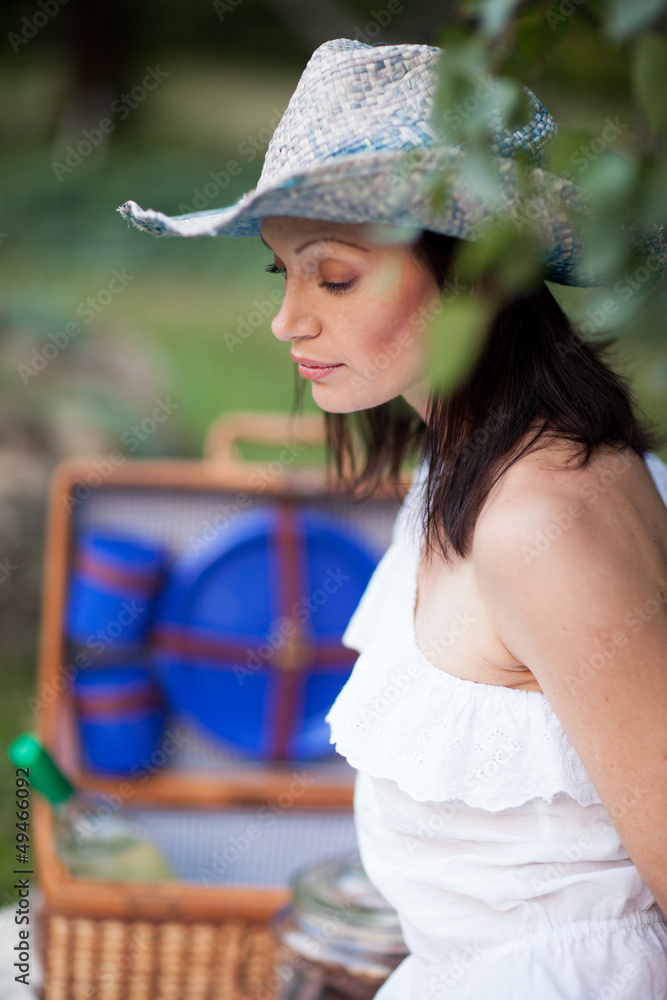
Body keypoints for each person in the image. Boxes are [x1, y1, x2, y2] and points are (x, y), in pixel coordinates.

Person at [119, 37, 667, 997]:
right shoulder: (465, 457)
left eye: (332, 276)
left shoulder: (539, 522)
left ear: (475, 276)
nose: (289, 319)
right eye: (280, 274)